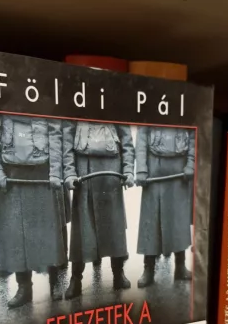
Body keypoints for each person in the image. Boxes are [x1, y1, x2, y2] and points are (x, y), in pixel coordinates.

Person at [0, 113, 67, 308]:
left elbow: (55, 130)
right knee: (16, 234)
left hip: (43, 170)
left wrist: (55, 171)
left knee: (48, 231)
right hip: (10, 171)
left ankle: (55, 283)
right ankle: (24, 288)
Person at [62, 121, 135, 299]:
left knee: (114, 225)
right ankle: (76, 279)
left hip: (111, 169)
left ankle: (118, 273)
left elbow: (126, 138)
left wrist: (128, 170)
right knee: (81, 229)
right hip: (83, 169)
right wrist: (70, 173)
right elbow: (67, 138)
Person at [135, 126, 195, 287]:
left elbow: (193, 136)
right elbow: (142, 136)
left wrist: (191, 164)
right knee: (150, 222)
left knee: (178, 221)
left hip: (180, 169)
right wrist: (141, 169)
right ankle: (148, 269)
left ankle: (180, 267)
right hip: (153, 168)